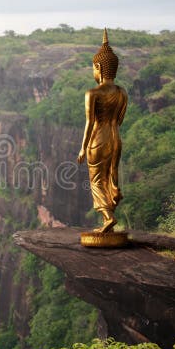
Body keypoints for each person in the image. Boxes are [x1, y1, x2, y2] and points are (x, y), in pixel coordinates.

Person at [77, 28, 128, 233]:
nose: (93, 71)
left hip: (98, 138)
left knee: (97, 179)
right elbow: (120, 119)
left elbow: (90, 122)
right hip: (115, 138)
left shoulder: (93, 93)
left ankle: (107, 216)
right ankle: (113, 200)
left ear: (98, 66)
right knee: (111, 174)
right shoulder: (122, 92)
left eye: (93, 68)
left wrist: (83, 147)